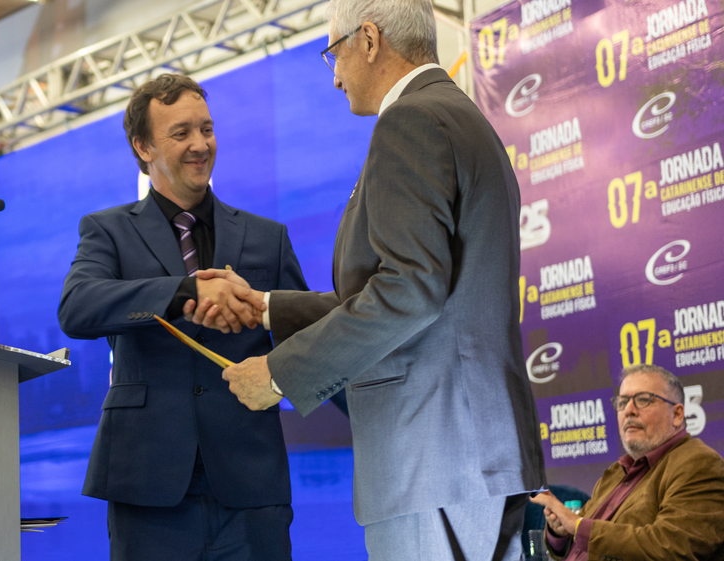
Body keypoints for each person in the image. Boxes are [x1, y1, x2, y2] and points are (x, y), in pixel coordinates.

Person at [186, 0, 546, 558]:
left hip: (430, 460)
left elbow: (409, 291)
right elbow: (422, 290)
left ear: (370, 40)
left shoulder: (409, 121)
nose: (335, 77)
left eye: (334, 53)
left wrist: (279, 374)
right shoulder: (460, 117)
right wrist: (266, 307)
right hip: (474, 456)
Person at [58, 73, 309, 561]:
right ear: (143, 146)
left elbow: (307, 335)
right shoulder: (108, 230)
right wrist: (183, 291)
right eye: (181, 133)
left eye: (207, 129)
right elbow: (77, 307)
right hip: (146, 487)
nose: (200, 145)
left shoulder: (268, 237)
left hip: (251, 483)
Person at [530, 365, 724, 560]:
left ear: (677, 414)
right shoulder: (616, 472)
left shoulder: (700, 464)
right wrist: (561, 532)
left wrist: (577, 525)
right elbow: (581, 540)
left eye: (643, 400)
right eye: (622, 402)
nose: (629, 410)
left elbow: (673, 548)